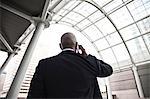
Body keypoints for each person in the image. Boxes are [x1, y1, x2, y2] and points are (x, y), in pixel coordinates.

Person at [27, 32, 113, 99]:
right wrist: (87, 57)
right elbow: (108, 70)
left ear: (61, 46)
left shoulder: (44, 64)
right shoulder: (88, 63)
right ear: (77, 46)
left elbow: (34, 95)